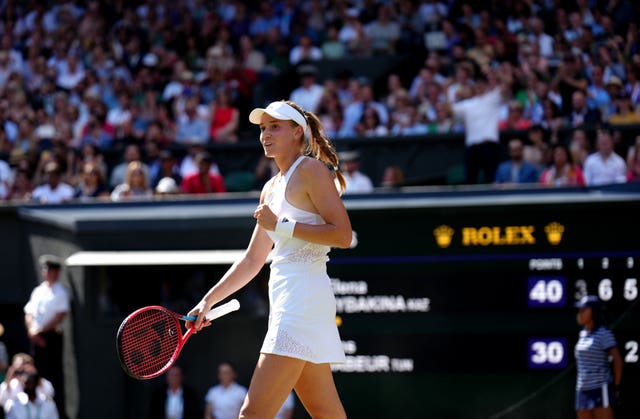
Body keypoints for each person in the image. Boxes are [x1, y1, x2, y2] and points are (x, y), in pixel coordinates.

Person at [186, 99, 351, 419]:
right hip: (289, 297)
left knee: (252, 414)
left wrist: (281, 225)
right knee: (326, 413)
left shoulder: (311, 170)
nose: (266, 134)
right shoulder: (270, 188)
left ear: (297, 132)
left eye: (275, 127)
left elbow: (342, 235)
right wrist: (207, 301)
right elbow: (252, 260)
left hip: (302, 301)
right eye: (262, 128)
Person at [23, 255, 70, 419]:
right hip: (36, 337)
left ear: (57, 272)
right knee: (35, 373)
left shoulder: (60, 292)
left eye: (51, 269)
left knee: (53, 376)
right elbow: (28, 312)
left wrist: (40, 331)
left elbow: (59, 316)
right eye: (46, 269)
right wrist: (32, 331)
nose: (48, 273)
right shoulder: (38, 291)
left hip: (51, 338)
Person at [451, 64, 513, 184]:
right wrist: (447, 90)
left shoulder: (493, 97)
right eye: (477, 84)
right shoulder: (468, 103)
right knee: (470, 181)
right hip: (472, 146)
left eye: (482, 84)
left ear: (486, 86)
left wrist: (492, 70)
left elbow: (508, 82)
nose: (479, 86)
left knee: (491, 179)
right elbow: (449, 110)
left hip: (489, 145)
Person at [574, 295, 623, 419]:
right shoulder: (582, 335)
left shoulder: (604, 334)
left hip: (600, 389)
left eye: (584, 310)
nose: (580, 314)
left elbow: (618, 362)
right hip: (582, 390)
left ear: (593, 312)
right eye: (579, 310)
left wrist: (616, 387)